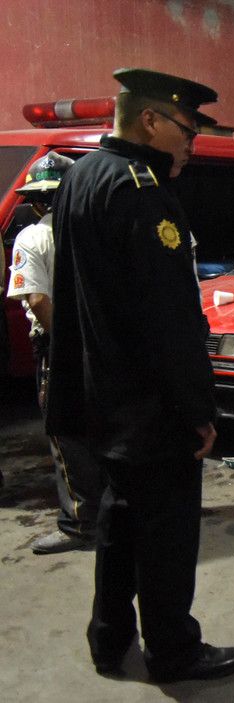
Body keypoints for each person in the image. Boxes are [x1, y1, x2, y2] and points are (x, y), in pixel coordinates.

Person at [47, 68, 234, 682]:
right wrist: (197, 410)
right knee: (166, 533)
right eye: (187, 130)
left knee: (121, 520)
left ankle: (108, 639)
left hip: (103, 397)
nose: (192, 145)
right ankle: (173, 650)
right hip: (150, 406)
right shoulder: (140, 190)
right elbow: (168, 319)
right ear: (151, 120)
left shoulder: (81, 177)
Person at [6, 152, 106, 554]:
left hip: (59, 347)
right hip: (103, 344)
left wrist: (67, 345)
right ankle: (111, 515)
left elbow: (37, 299)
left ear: (35, 203)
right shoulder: (97, 230)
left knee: (65, 434)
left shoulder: (32, 237)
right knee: (103, 427)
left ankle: (80, 525)